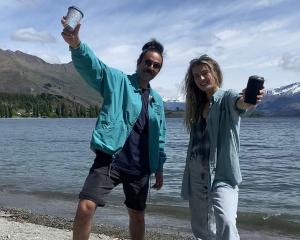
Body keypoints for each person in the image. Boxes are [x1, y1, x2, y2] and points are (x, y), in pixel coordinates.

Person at [61, 21, 167, 240]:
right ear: (139, 62)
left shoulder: (157, 100)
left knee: (137, 215)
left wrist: (159, 168)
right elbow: (95, 69)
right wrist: (76, 45)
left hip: (141, 167)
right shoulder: (118, 81)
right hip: (110, 159)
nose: (152, 68)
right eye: (148, 62)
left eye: (157, 65)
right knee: (85, 207)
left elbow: (160, 137)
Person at [181, 55, 264, 240]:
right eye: (196, 76)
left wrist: (249, 100)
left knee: (226, 221)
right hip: (196, 173)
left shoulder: (227, 97)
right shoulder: (197, 105)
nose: (201, 79)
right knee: (201, 228)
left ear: (215, 73)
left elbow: (241, 103)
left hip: (222, 174)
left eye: (205, 73)